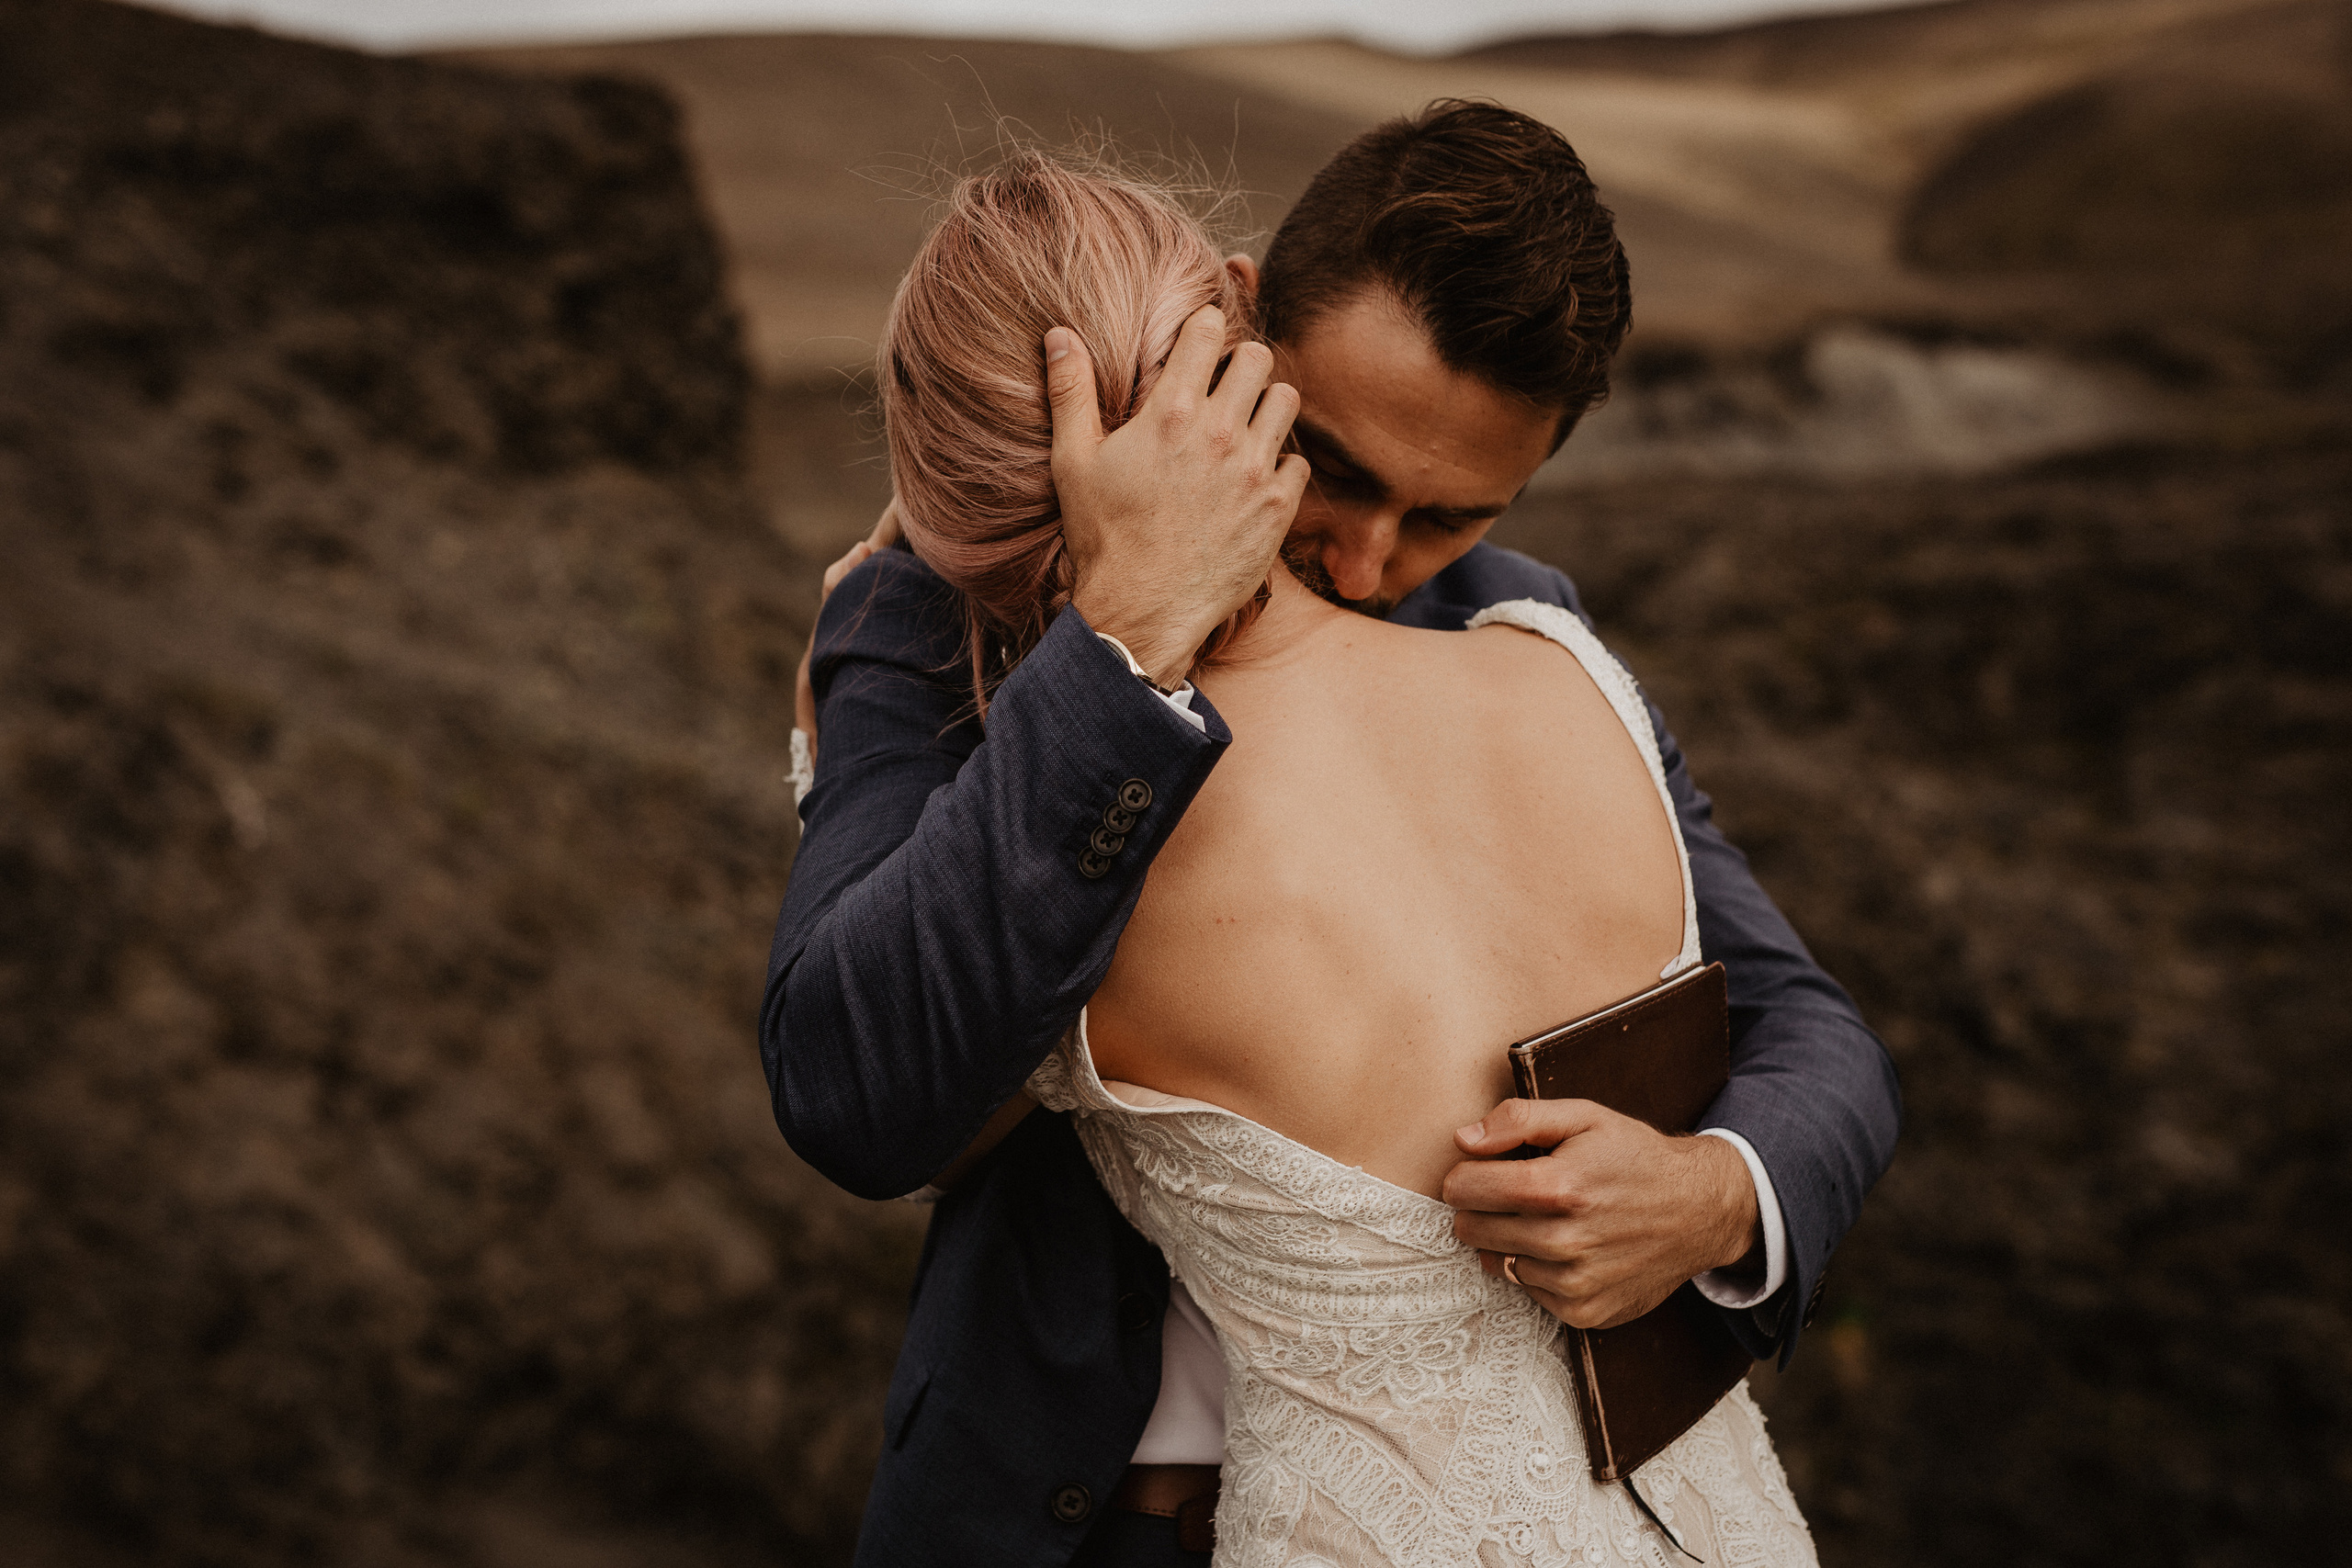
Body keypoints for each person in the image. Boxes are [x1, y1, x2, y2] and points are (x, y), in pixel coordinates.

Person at [764, 104, 1900, 1568]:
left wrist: (1712, 1191)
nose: (1366, 564)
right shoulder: (934, 608)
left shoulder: (1523, 631)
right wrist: (1123, 637)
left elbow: (1809, 1024)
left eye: (1448, 516)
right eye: (1339, 469)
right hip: (1082, 1506)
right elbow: (865, 1093)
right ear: (1237, 322)